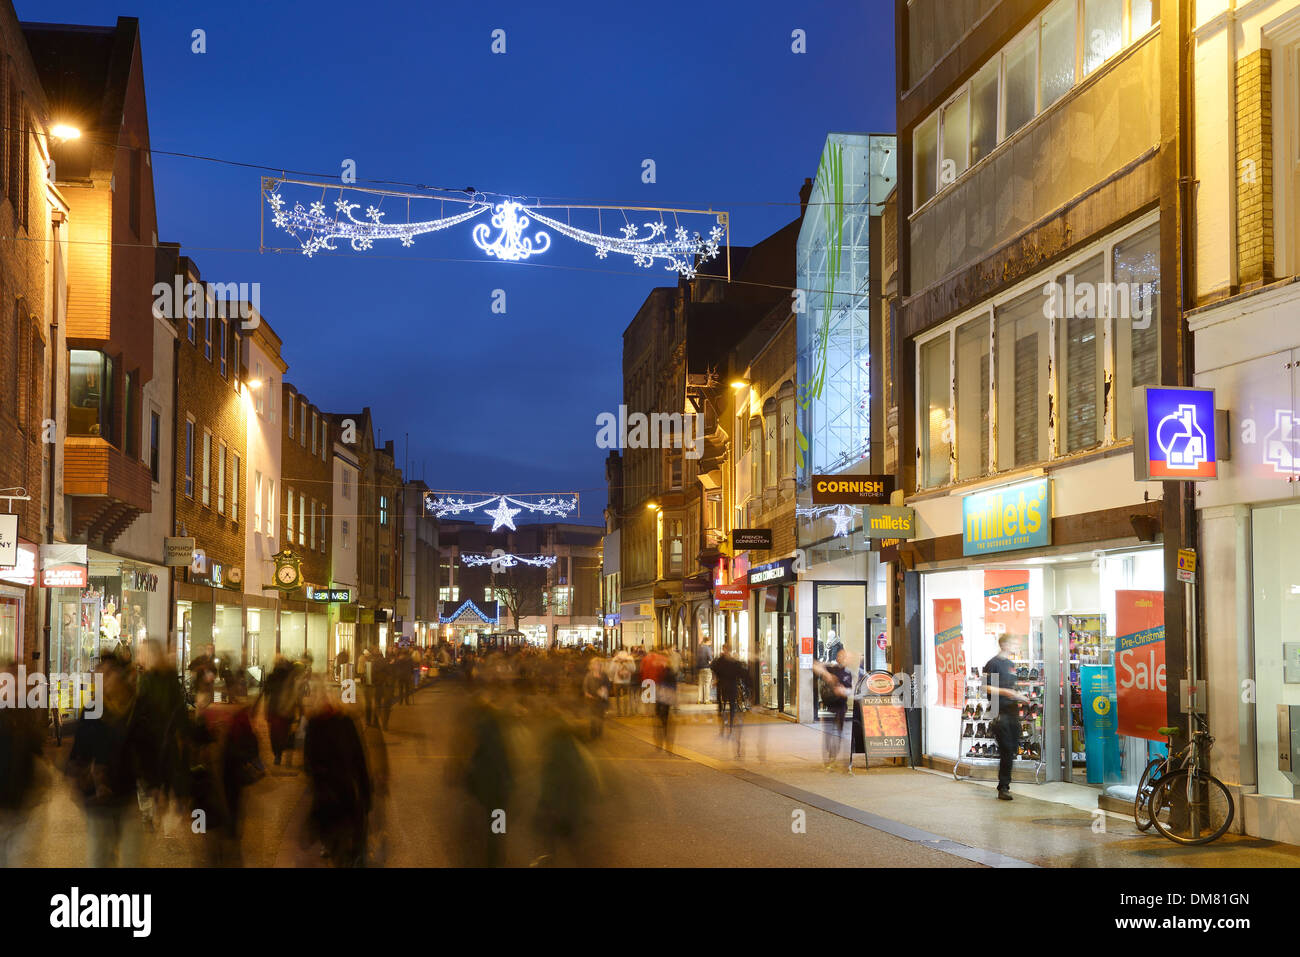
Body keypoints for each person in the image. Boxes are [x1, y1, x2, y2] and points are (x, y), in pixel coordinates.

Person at [984, 634, 1027, 801]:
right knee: (1007, 749)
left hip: (1012, 711)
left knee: (1012, 749)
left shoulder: (1010, 664)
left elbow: (1011, 687)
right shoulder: (993, 664)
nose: (1016, 646)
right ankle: (1003, 787)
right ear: (1003, 644)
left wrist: (1019, 695)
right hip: (999, 711)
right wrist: (1007, 692)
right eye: (1013, 643)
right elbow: (986, 687)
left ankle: (1004, 785)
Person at [813, 650, 853, 770]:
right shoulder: (831, 668)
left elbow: (850, 690)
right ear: (837, 658)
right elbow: (815, 666)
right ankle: (828, 759)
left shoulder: (848, 673)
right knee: (828, 734)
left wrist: (844, 691)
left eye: (846, 657)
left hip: (841, 707)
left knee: (839, 734)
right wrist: (827, 675)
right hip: (829, 706)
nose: (844, 659)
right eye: (842, 656)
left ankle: (833, 757)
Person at [583, 657, 611, 740]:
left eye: (598, 664)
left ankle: (599, 732)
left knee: (600, 716)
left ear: (600, 665)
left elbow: (608, 685)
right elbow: (585, 685)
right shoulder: (589, 675)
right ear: (592, 666)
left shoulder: (604, 675)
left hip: (601, 700)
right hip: (592, 699)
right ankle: (593, 733)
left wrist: (604, 689)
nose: (596, 666)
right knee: (593, 717)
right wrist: (586, 693)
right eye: (595, 664)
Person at [696, 638, 714, 704]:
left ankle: (699, 700)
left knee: (700, 684)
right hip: (707, 668)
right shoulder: (707, 648)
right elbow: (710, 658)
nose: (710, 643)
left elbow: (697, 659)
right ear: (707, 641)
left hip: (700, 668)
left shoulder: (699, 649)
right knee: (707, 684)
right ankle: (706, 700)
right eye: (710, 641)